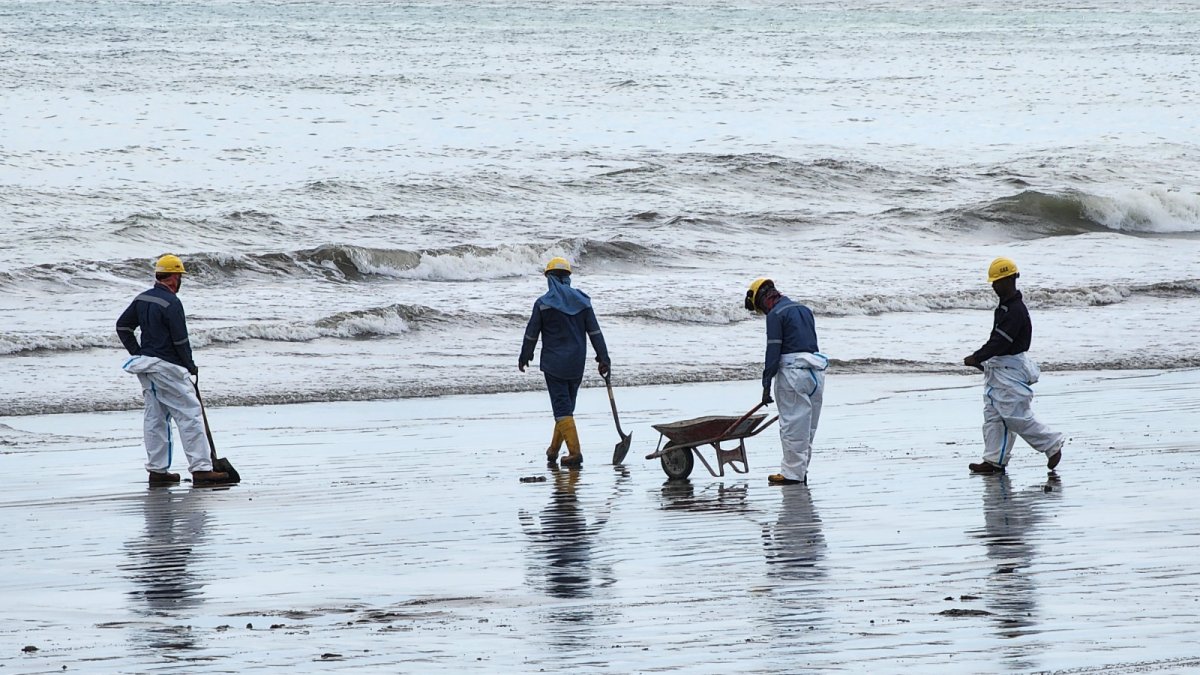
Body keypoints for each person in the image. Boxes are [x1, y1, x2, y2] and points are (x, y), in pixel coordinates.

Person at [116, 254, 231, 485]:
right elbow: (180, 341)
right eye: (180, 277)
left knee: (155, 417)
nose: (180, 281)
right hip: (168, 367)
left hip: (146, 367)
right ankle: (202, 469)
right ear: (174, 277)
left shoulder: (142, 298)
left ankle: (157, 471)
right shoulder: (172, 302)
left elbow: (123, 326)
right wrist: (190, 365)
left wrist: (138, 353)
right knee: (190, 415)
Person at [963, 257, 1065, 474]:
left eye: (997, 282)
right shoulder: (1005, 308)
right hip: (1000, 367)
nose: (993, 286)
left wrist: (977, 357)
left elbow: (1000, 341)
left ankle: (1051, 444)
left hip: (1010, 368)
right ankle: (994, 460)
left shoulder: (1015, 311)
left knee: (1013, 415)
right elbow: (998, 341)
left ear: (1009, 280)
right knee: (993, 415)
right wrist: (983, 359)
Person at [519, 257, 610, 467]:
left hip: (554, 365)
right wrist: (604, 358)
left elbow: (531, 334)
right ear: (568, 278)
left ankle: (575, 452)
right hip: (576, 364)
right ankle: (553, 450)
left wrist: (525, 356)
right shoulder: (583, 302)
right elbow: (595, 333)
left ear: (549, 278)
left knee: (562, 409)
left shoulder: (543, 304)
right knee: (566, 408)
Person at [745, 278, 827, 486]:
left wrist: (766, 385)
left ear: (762, 299)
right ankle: (801, 470)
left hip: (793, 374)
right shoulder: (804, 310)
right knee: (808, 427)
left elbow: (773, 351)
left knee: (792, 424)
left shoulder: (776, 314)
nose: (764, 313)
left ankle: (791, 474)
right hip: (816, 373)